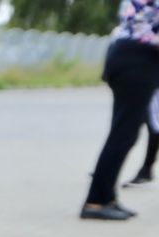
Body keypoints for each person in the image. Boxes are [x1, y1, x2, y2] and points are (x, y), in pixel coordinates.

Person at [80, 0, 159, 219]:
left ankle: (107, 197)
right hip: (138, 60)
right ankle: (95, 202)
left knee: (124, 135)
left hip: (131, 57)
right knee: (122, 135)